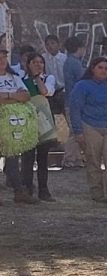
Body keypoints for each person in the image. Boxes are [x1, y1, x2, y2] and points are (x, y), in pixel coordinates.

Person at [68, 58, 107, 204]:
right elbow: (75, 109)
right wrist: (78, 131)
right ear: (92, 69)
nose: (103, 71)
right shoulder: (82, 86)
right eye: (100, 67)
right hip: (90, 126)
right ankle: (97, 192)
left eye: (106, 68)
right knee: (93, 161)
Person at [0, 47, 39, 204]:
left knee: (12, 157)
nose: (2, 60)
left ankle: (19, 191)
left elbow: (26, 95)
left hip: (14, 123)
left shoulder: (14, 77)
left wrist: (6, 97)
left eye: (4, 57)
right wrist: (13, 95)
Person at [20, 53, 59, 201]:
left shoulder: (49, 79)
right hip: (27, 120)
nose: (38, 65)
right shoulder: (21, 80)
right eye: (34, 62)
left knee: (43, 157)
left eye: (40, 62)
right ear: (28, 64)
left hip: (43, 120)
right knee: (27, 157)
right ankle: (27, 189)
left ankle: (44, 190)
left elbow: (45, 92)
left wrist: (37, 78)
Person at [62, 36, 86, 168]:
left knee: (76, 129)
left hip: (71, 99)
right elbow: (82, 79)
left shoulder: (68, 61)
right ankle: (70, 158)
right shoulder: (75, 63)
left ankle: (76, 158)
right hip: (75, 101)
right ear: (80, 48)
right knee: (74, 130)